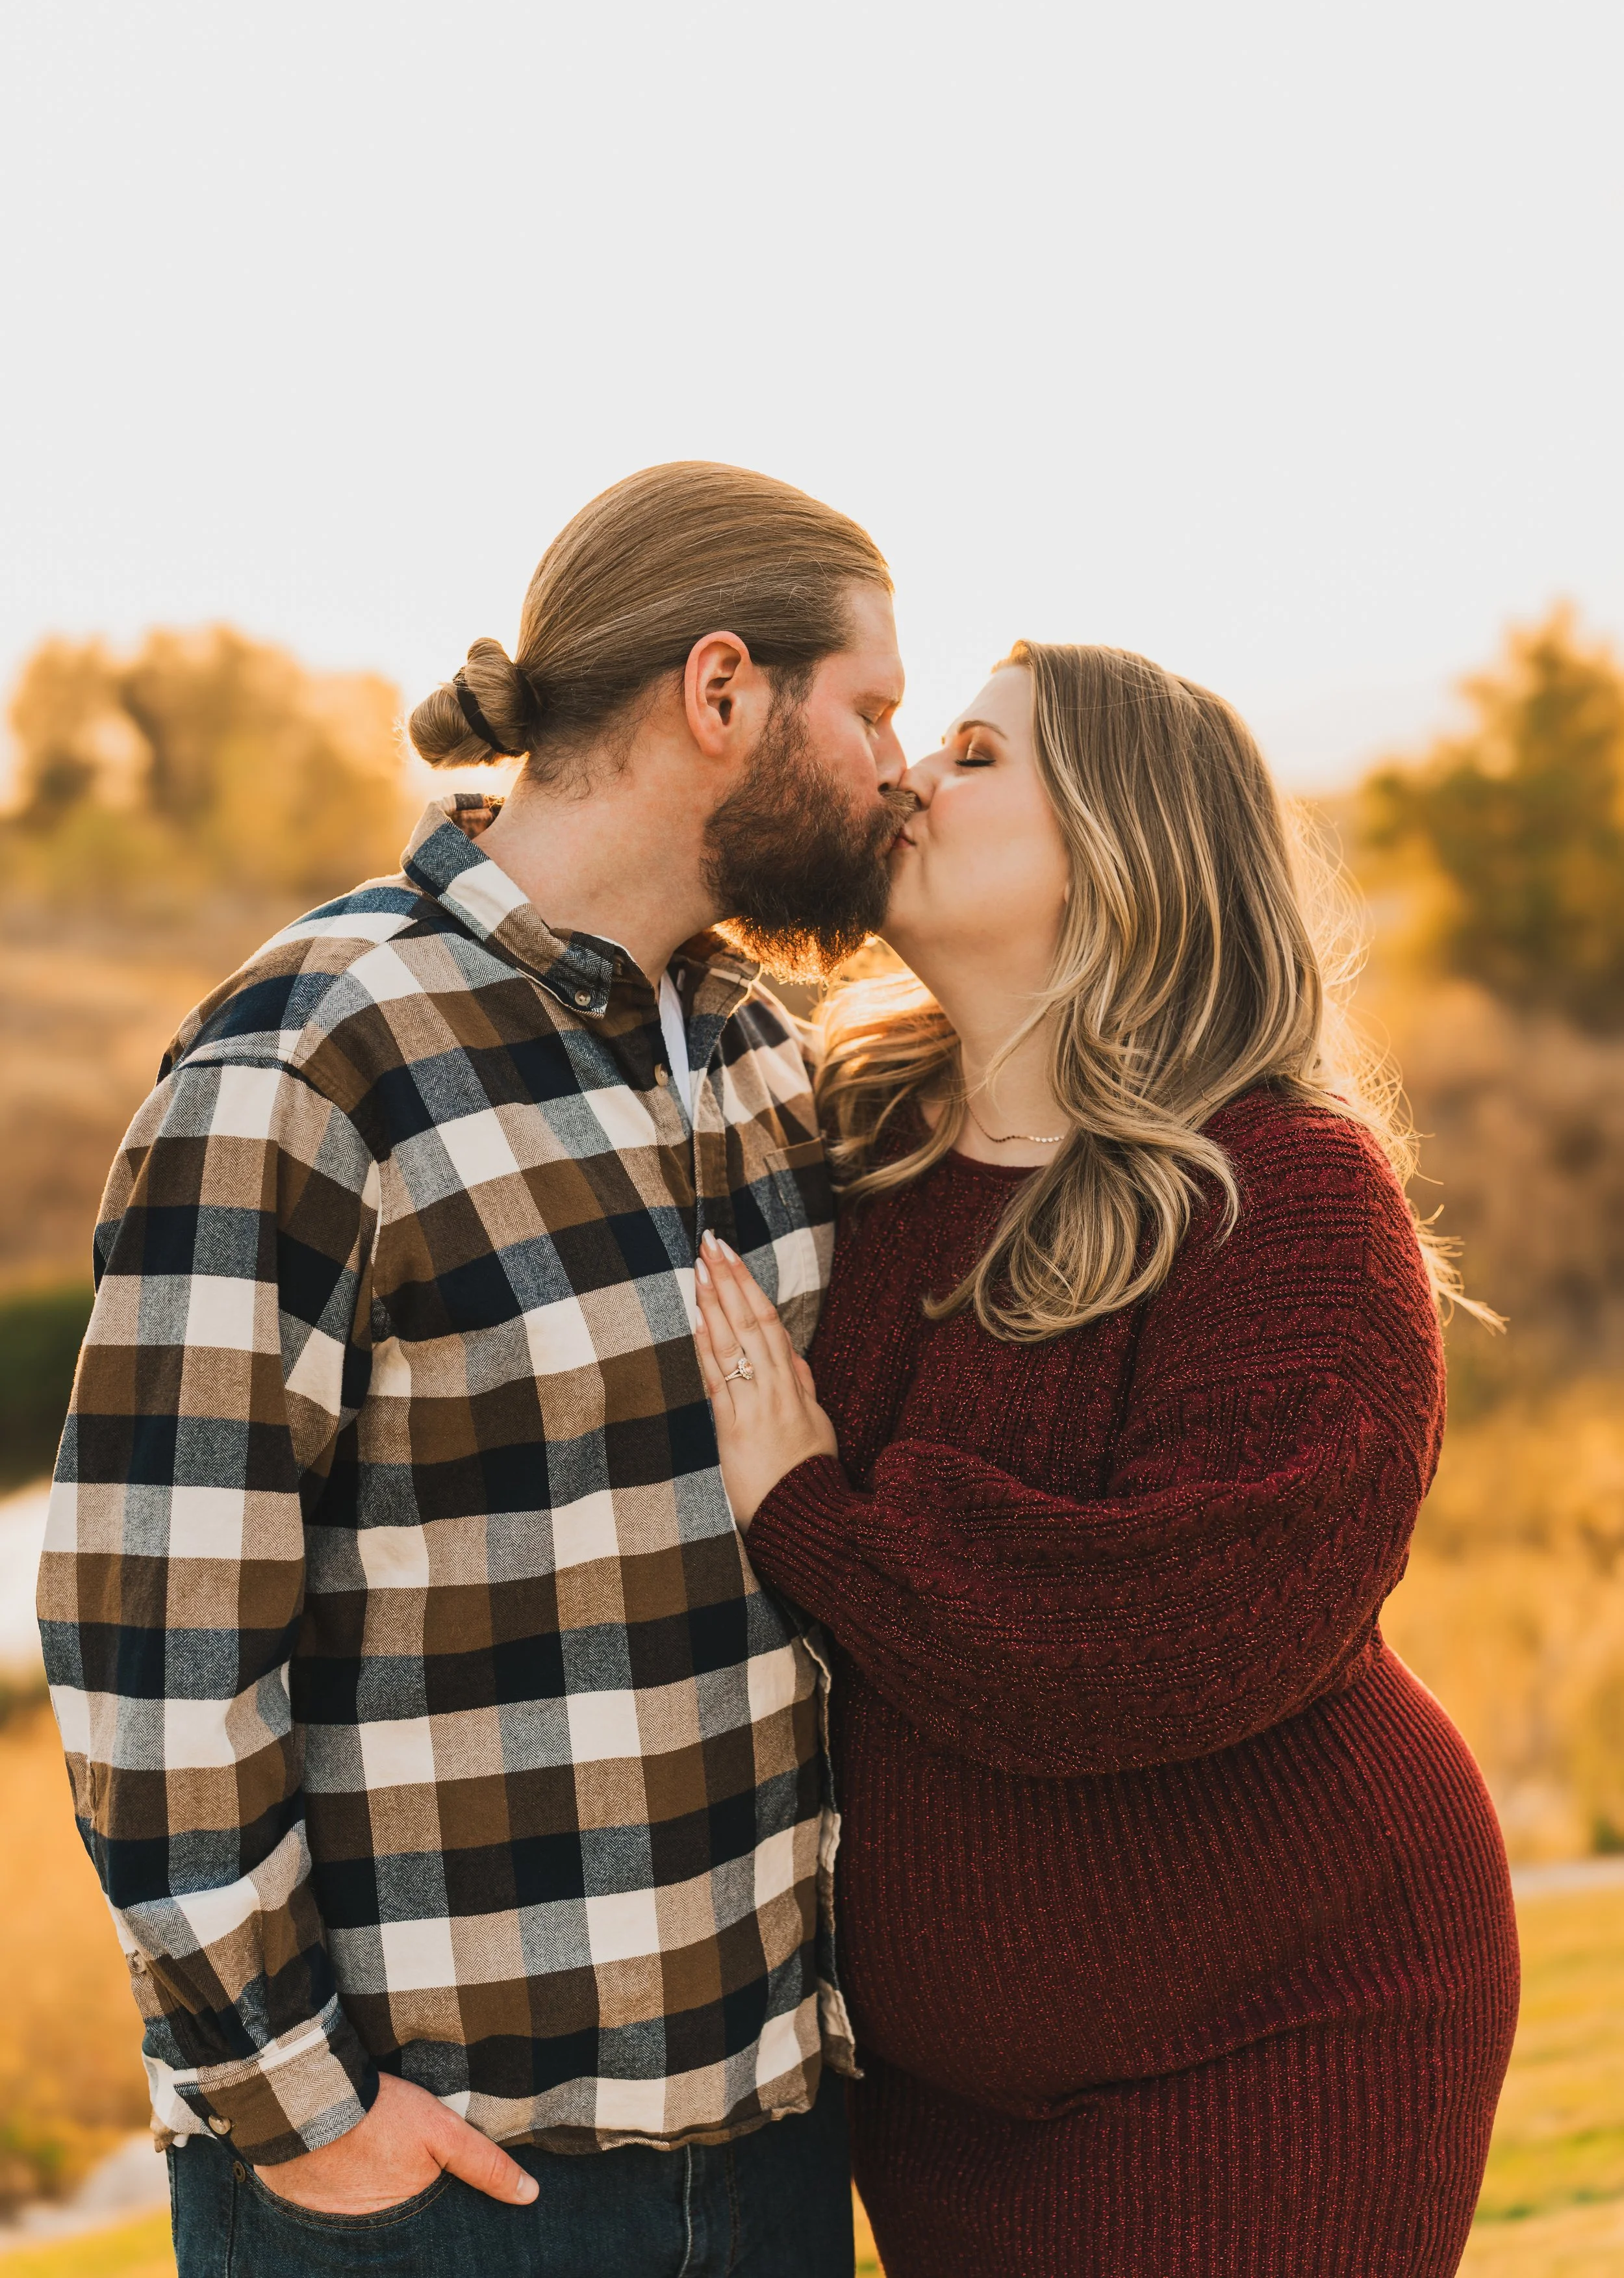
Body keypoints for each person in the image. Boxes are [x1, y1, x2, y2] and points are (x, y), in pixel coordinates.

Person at [38, 461, 911, 2278]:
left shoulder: (760, 1058)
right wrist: (301, 2105)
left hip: (766, 2133)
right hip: (441, 2183)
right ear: (722, 690)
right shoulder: (315, 1055)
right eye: (874, 709)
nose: (894, 768)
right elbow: (152, 1634)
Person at [692, 641, 1521, 2277]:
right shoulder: (842, 1149)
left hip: (1280, 2020)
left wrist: (814, 1515)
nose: (907, 777)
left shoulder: (1282, 1195)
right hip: (933, 2093)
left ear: (1128, 842)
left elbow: (1149, 1635)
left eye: (979, 757)